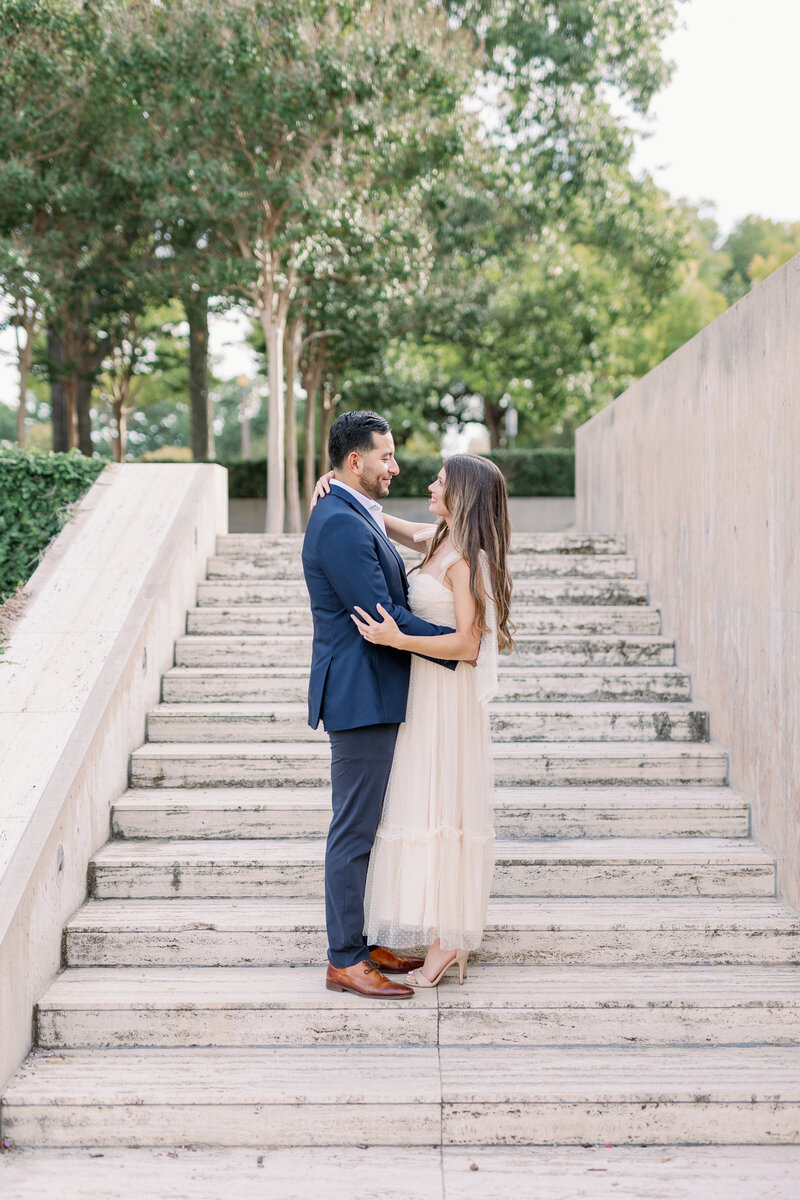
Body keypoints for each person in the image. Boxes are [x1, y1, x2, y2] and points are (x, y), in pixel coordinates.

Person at [314, 451, 514, 988]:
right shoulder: (439, 539)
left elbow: (471, 646)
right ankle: (437, 929)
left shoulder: (464, 558)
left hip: (445, 695)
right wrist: (334, 482)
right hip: (419, 693)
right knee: (422, 803)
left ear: (462, 495)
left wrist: (397, 638)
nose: (428, 485)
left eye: (440, 482)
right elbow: (376, 520)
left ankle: (449, 939)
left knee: (445, 804)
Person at [302, 410, 464, 1000]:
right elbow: (379, 615)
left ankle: (360, 941)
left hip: (373, 687)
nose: (396, 467)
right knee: (353, 830)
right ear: (355, 462)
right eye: (387, 457)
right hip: (360, 692)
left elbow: (401, 537)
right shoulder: (340, 523)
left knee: (366, 825)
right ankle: (345, 959)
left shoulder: (351, 509)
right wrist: (460, 648)